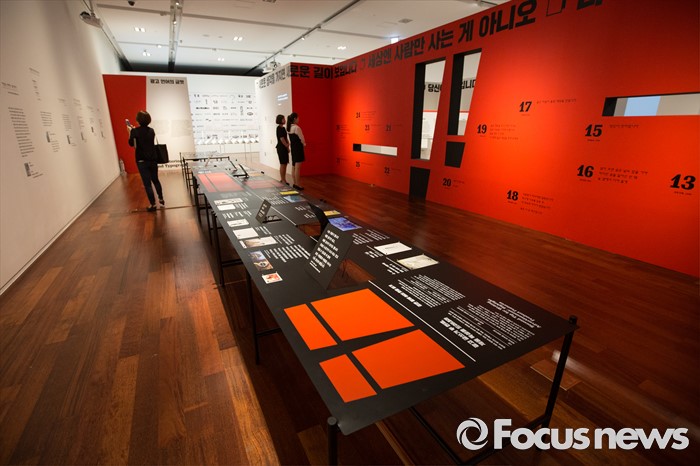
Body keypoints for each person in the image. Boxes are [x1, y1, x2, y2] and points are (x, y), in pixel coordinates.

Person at [127, 110, 164, 212]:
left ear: (138, 120)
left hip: (141, 161)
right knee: (155, 180)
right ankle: (161, 199)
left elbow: (131, 144)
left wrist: (130, 132)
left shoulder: (134, 131)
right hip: (153, 159)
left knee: (147, 184)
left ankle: (153, 204)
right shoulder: (151, 130)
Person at [286, 112, 305, 190]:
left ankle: (294, 183)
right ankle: (297, 184)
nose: (298, 119)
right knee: (298, 168)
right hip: (298, 148)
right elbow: (302, 138)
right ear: (295, 118)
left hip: (293, 148)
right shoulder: (297, 128)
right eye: (298, 118)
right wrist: (304, 144)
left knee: (294, 166)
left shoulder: (289, 128)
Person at [275, 114, 290, 184]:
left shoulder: (283, 128)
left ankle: (284, 179)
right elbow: (282, 139)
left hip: (284, 148)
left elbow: (285, 138)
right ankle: (283, 179)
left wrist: (288, 147)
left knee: (285, 164)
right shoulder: (279, 128)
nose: (285, 120)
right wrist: (287, 145)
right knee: (283, 164)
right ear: (280, 120)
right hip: (281, 148)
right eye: (283, 119)